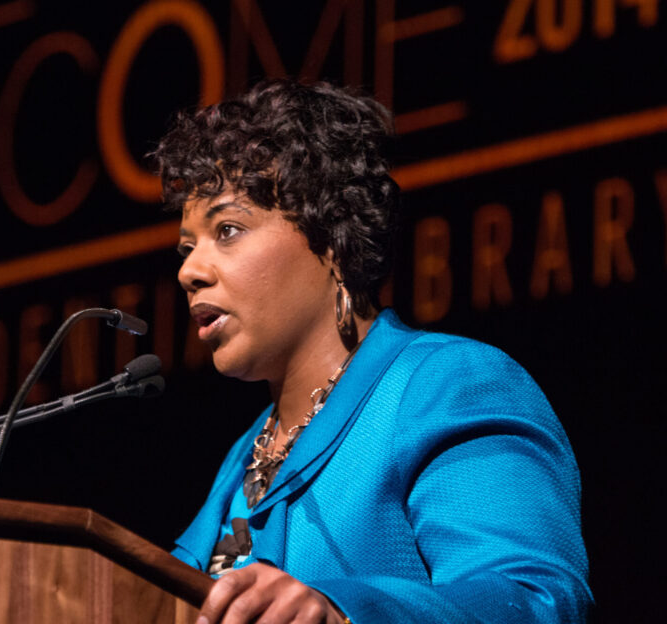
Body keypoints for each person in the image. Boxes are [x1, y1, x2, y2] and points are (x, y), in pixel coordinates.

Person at [152, 80, 592, 623]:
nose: (189, 271)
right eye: (187, 247)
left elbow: (530, 601)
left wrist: (343, 613)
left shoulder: (447, 386)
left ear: (331, 240)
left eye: (228, 229)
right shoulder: (245, 455)